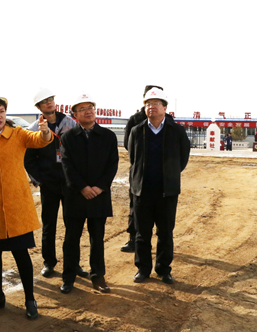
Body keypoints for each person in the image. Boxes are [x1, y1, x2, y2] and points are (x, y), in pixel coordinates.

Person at [0, 93, 51, 320]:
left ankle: (30, 299)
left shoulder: (17, 134)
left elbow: (39, 140)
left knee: (21, 254)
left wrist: (45, 131)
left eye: (2, 111)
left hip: (17, 206)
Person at [128, 88, 190, 284]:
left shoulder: (177, 131)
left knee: (165, 233)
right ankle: (143, 269)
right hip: (142, 191)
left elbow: (183, 158)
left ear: (164, 107)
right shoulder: (137, 131)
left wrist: (169, 174)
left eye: (156, 103)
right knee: (142, 233)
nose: (151, 107)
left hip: (166, 192)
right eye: (148, 103)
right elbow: (133, 158)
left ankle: (164, 269)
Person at [60, 93, 118, 295]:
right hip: (75, 196)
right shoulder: (68, 137)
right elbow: (67, 166)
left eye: (90, 107)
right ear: (75, 115)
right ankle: (68, 277)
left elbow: (112, 165)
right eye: (82, 109)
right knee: (71, 239)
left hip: (99, 196)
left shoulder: (108, 136)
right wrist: (82, 187)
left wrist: (100, 187)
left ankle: (98, 277)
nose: (88, 111)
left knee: (97, 239)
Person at [24, 88, 77, 278]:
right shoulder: (33, 129)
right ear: (38, 107)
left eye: (51, 99)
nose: (49, 103)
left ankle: (73, 263)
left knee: (73, 224)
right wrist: (40, 180)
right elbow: (28, 159)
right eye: (44, 101)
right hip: (49, 184)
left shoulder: (70, 123)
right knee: (49, 225)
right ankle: (49, 262)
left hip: (70, 183)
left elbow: (79, 152)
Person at [120, 85, 164, 253]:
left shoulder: (168, 121)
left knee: (162, 209)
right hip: (139, 172)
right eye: (150, 99)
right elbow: (128, 144)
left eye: (157, 100)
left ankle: (162, 242)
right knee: (135, 207)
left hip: (162, 174)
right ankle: (134, 239)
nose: (153, 104)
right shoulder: (135, 120)